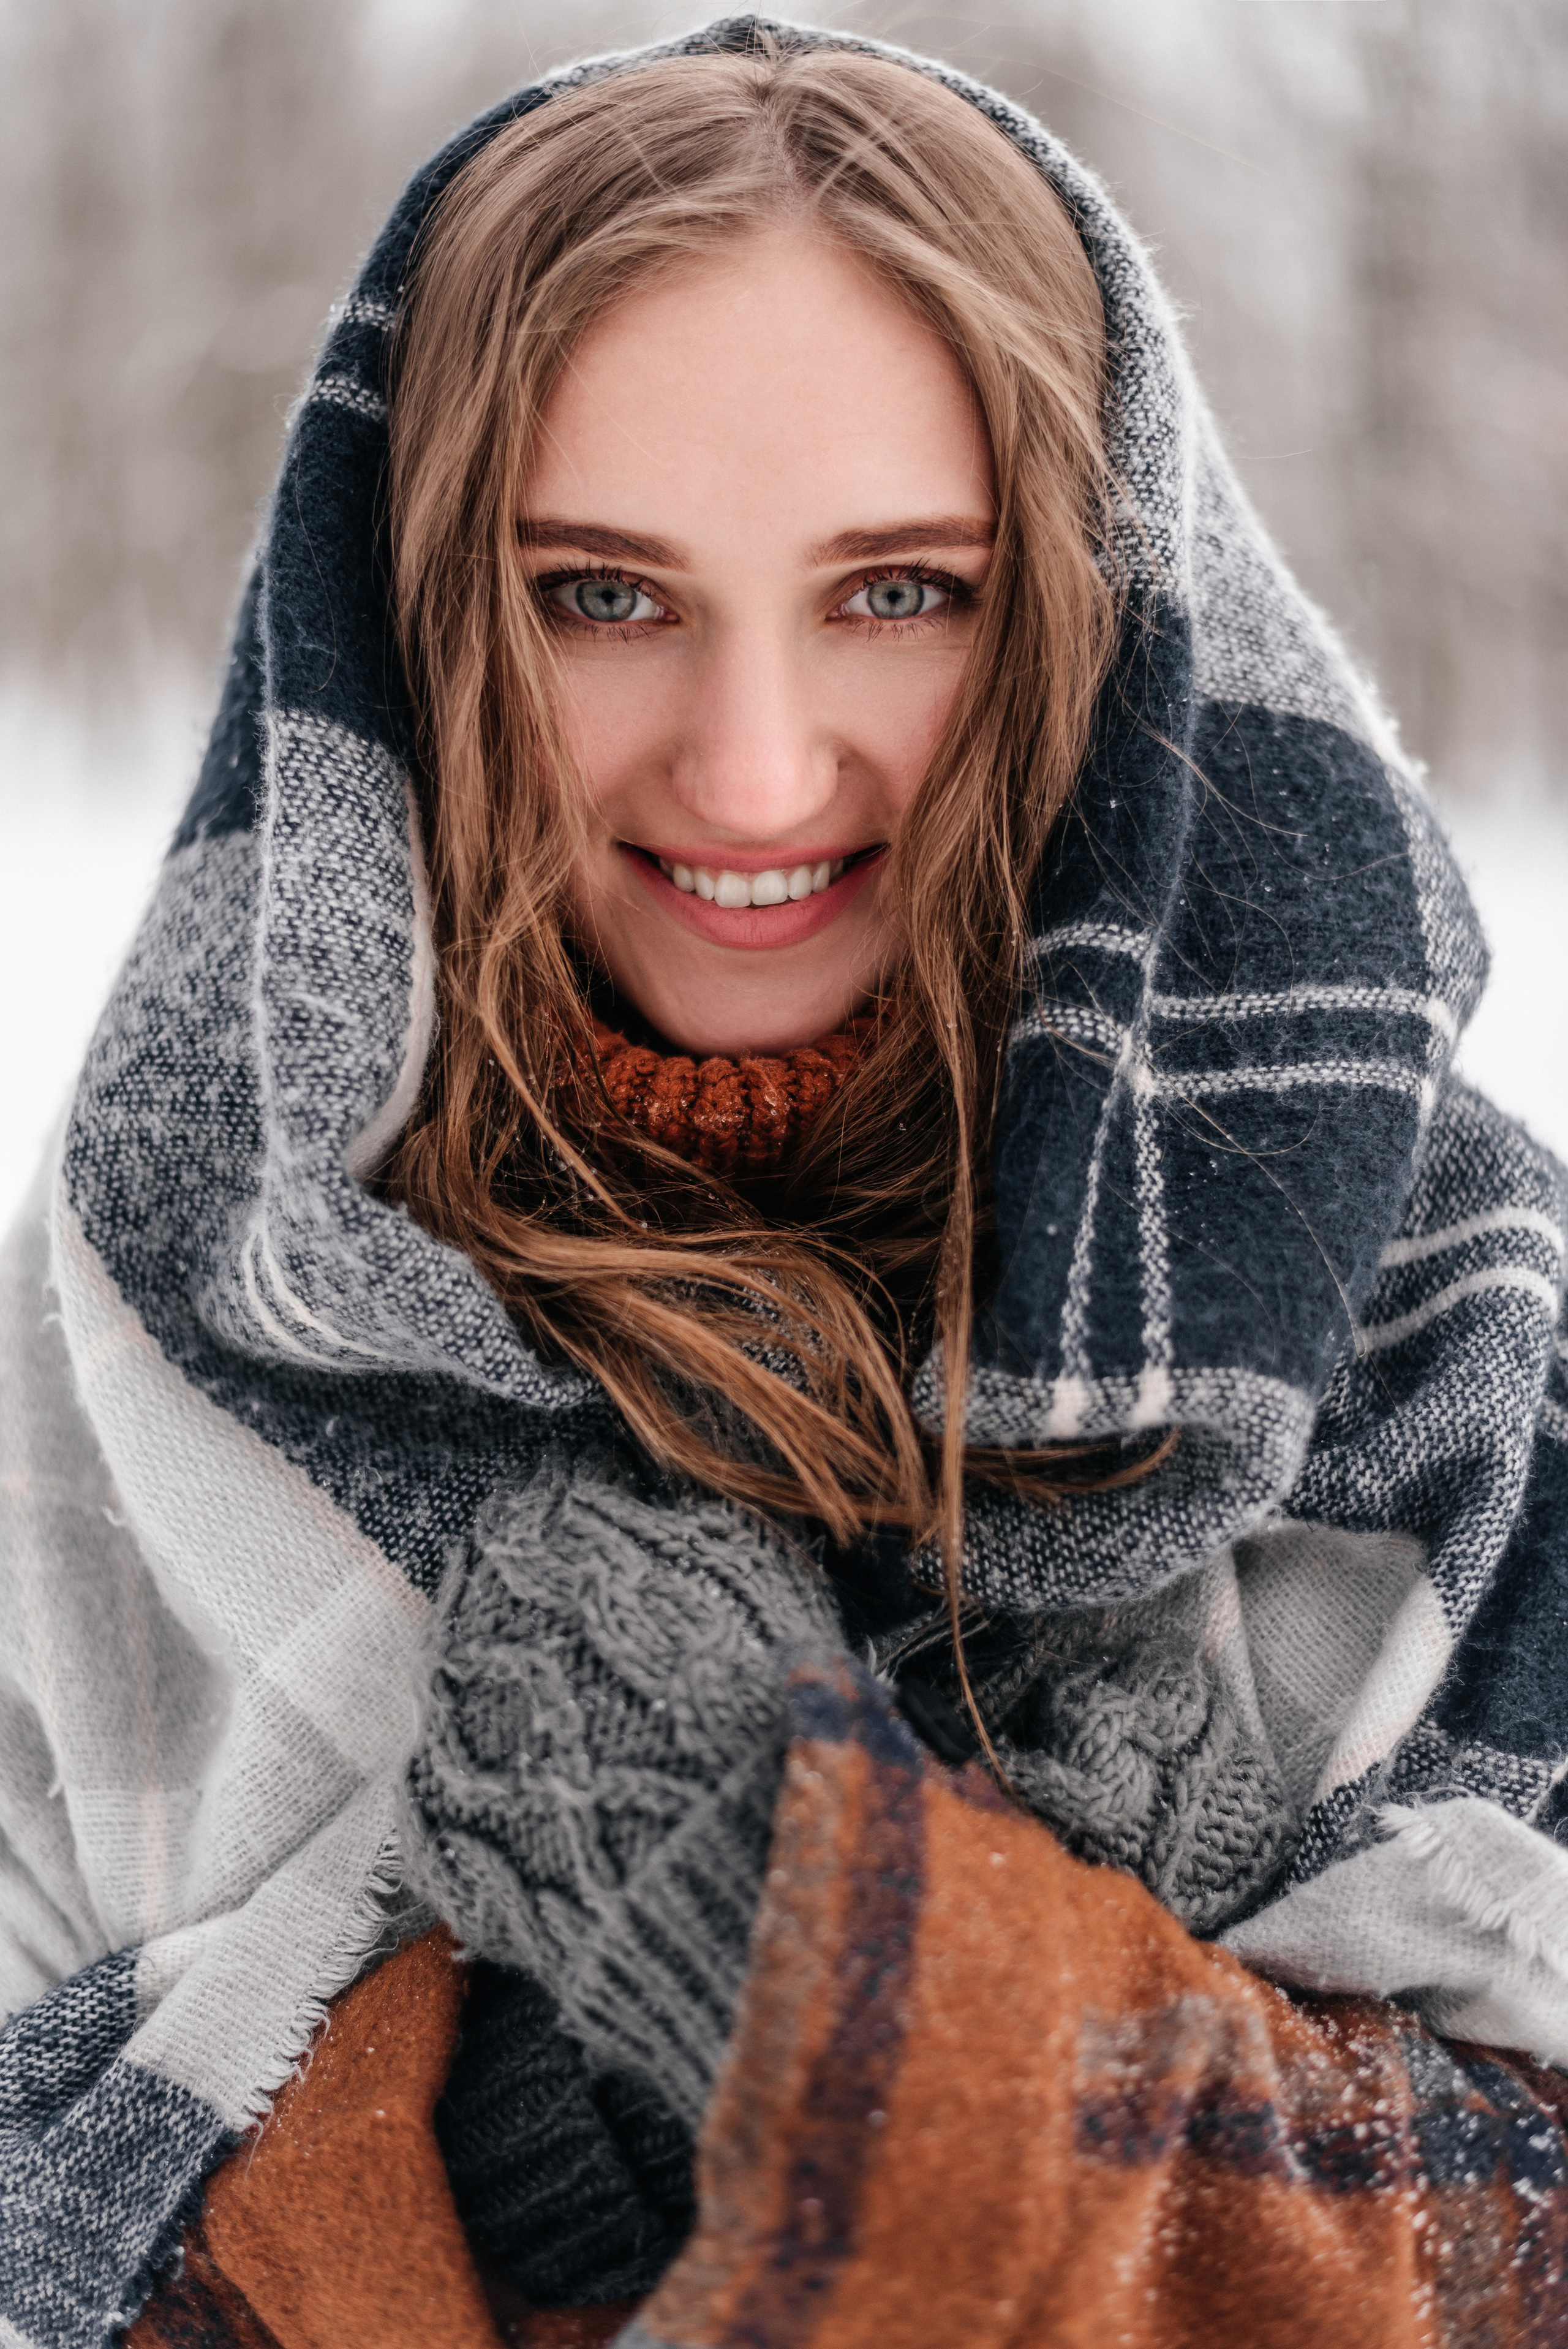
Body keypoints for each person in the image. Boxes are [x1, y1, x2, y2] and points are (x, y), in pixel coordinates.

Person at [3, 18, 1567, 2347]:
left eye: (902, 591)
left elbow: (1517, 2236)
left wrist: (812, 1943)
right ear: (418, 628)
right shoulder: (147, 1354)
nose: (752, 766)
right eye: (598, 595)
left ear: (1091, 616)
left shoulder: (1437, 1329)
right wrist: (545, 2130)